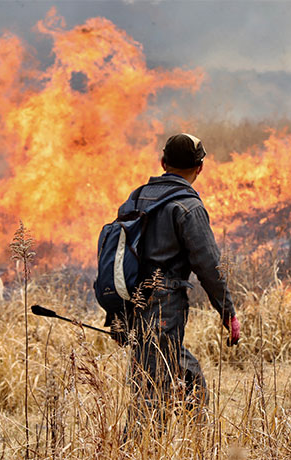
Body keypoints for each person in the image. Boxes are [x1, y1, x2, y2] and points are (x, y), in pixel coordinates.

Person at [113, 133, 241, 429]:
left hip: (131, 300)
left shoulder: (137, 197)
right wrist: (228, 311)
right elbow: (210, 265)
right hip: (163, 305)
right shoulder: (188, 207)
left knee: (188, 374)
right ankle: (141, 449)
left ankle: (195, 441)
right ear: (200, 168)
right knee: (151, 393)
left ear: (163, 163)